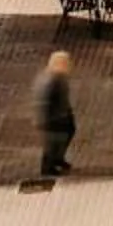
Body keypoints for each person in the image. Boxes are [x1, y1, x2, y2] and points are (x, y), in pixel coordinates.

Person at [36, 50, 77, 179]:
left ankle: (58, 159)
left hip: (61, 115)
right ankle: (48, 168)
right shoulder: (51, 80)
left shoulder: (58, 77)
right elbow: (45, 102)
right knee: (53, 142)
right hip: (53, 118)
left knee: (65, 134)